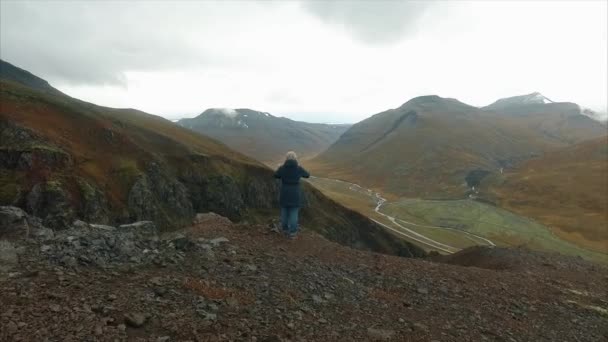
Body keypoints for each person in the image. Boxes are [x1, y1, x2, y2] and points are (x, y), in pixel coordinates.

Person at [274, 151, 310, 239]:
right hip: (295, 192)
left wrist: (278, 168)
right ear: (295, 158)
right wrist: (300, 169)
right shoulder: (298, 168)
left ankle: (285, 229)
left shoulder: (282, 168)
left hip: (284, 191)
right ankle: (292, 233)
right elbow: (307, 175)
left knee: (284, 211)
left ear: (286, 158)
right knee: (294, 211)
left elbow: (276, 175)